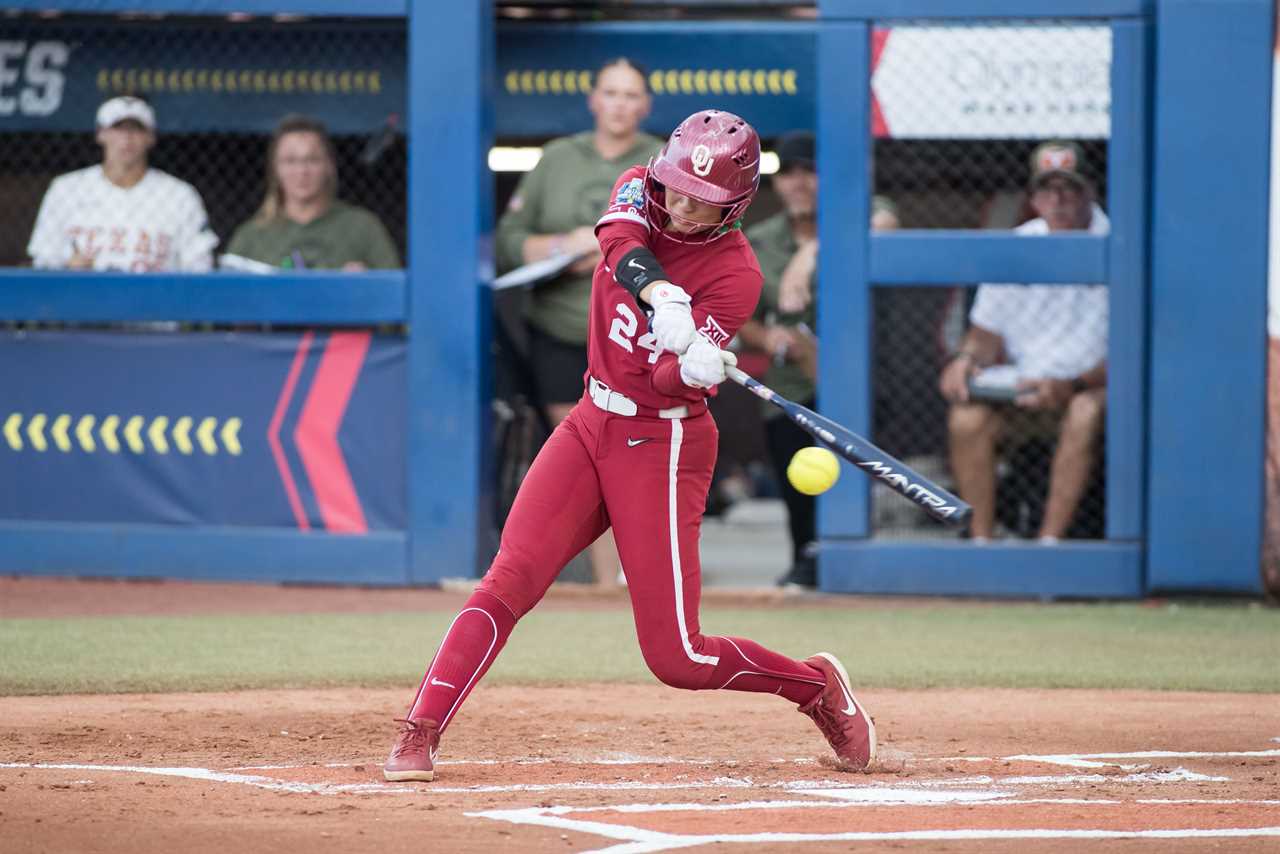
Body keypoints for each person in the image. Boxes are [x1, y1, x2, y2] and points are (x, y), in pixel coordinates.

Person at [383, 109, 876, 783]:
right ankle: (423, 727)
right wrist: (662, 292)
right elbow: (616, 237)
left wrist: (696, 365)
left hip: (664, 441)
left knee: (677, 657)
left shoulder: (737, 276)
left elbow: (665, 378)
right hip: (590, 422)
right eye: (675, 188)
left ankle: (814, 685)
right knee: (507, 579)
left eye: (701, 204)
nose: (679, 206)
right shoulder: (639, 189)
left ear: (734, 208)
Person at [494, 57, 663, 588]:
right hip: (562, 330)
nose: (619, 104)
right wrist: (568, 246)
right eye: (610, 93)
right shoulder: (556, 158)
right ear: (593, 99)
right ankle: (602, 582)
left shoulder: (661, 161)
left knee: (625, 454)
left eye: (631, 95)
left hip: (634, 336)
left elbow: (672, 243)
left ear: (646, 105)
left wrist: (602, 249)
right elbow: (508, 242)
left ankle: (626, 581)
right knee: (593, 451)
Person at [739, 132, 900, 589]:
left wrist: (810, 253)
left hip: (857, 378)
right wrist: (769, 337)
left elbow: (887, 220)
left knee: (853, 484)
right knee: (797, 488)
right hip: (788, 383)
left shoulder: (856, 212)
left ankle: (857, 572)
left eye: (808, 171)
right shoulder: (760, 239)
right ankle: (804, 564)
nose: (798, 182)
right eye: (787, 173)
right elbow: (738, 319)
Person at [939, 141, 1110, 543]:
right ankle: (982, 543)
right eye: (1048, 190)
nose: (1059, 200)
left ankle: (1048, 543)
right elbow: (984, 335)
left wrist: (1074, 385)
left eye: (1070, 188)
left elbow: (1133, 353)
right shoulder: (1016, 244)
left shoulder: (1117, 241)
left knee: (1085, 413)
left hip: (1091, 388)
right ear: (1033, 198)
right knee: (967, 419)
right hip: (1024, 388)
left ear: (1091, 192)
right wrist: (964, 359)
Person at [27, 95, 218, 272]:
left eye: (136, 128)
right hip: (84, 300)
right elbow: (42, 260)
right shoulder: (65, 189)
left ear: (150, 137)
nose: (127, 137)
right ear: (100, 134)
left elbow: (200, 266)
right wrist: (68, 266)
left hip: (156, 302)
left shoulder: (180, 195)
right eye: (118, 127)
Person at [224, 114, 400, 270]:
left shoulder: (363, 228)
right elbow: (226, 301)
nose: (302, 171)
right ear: (275, 169)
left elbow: (397, 296)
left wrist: (367, 285)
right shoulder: (250, 237)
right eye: (290, 161)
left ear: (329, 166)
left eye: (312, 159)